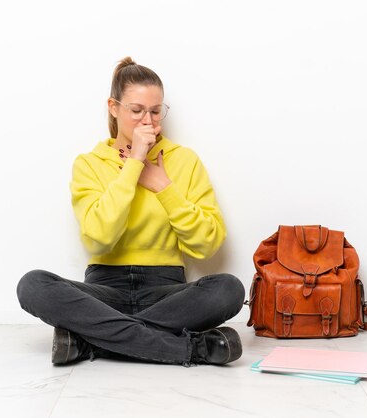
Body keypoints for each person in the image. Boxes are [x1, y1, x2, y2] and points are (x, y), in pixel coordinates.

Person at [16, 57, 245, 367]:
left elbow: (207, 244)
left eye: (154, 111)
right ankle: (190, 350)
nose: (147, 121)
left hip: (166, 291)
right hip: (104, 291)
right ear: (114, 107)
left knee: (228, 289)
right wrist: (134, 165)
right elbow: (98, 239)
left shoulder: (185, 161)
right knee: (33, 285)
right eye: (136, 111)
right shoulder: (90, 164)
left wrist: (164, 187)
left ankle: (89, 341)